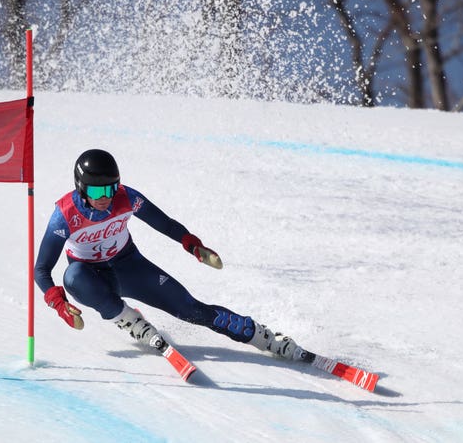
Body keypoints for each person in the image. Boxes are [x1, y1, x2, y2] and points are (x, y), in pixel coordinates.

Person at [34, 149, 307, 361]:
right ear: (81, 187)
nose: (106, 197)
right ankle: (127, 319)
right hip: (91, 279)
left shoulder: (126, 198)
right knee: (72, 276)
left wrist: (191, 243)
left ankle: (261, 336)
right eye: (97, 190)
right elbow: (42, 270)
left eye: (111, 188)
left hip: (129, 267)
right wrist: (57, 303)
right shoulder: (65, 215)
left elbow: (163, 223)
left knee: (191, 309)